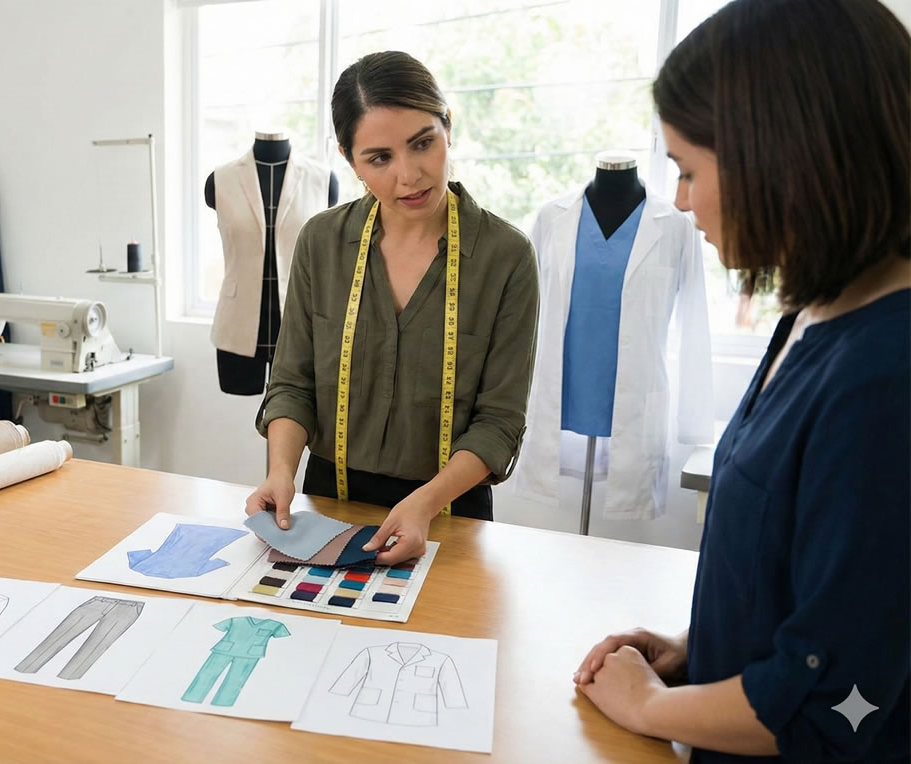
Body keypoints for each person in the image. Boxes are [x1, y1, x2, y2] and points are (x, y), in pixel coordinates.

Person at [572, 1, 910, 761]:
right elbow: (808, 592)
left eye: (690, 170)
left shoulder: (885, 381)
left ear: (783, 154)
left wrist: (654, 706)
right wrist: (692, 649)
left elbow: (830, 698)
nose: (683, 200)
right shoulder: (807, 313)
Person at [244, 50, 540, 567]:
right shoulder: (322, 242)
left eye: (423, 143)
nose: (409, 175)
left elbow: (499, 421)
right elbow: (292, 384)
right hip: (326, 504)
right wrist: (280, 473)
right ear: (348, 158)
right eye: (378, 158)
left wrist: (425, 503)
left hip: (448, 512)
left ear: (449, 126)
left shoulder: (505, 257)